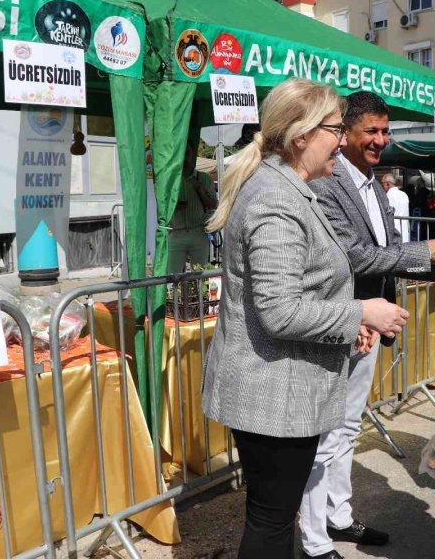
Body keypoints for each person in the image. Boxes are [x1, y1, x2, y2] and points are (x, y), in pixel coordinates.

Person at [201, 79, 408, 559]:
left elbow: (305, 286)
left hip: (281, 388)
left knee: (272, 519)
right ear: (301, 137)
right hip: (273, 392)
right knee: (272, 523)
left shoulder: (291, 188)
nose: (343, 139)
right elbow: (279, 310)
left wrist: (343, 321)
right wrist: (361, 309)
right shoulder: (276, 198)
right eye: (336, 129)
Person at [302, 91, 435, 559]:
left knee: (348, 427)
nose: (380, 140)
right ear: (344, 133)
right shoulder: (326, 184)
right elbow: (355, 255)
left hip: (372, 324)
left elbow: (391, 253)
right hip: (338, 324)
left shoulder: (374, 185)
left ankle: (339, 516)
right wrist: (430, 250)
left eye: (385, 131)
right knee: (324, 435)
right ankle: (315, 540)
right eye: (369, 131)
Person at [167, 139, 218, 272]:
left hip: (198, 232)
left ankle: (199, 293)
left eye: (187, 153)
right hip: (175, 233)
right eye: (180, 154)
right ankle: (176, 294)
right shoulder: (169, 181)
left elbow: (214, 205)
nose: (184, 158)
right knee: (172, 278)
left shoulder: (204, 178)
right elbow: (161, 207)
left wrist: (200, 190)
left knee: (200, 277)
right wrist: (172, 206)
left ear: (193, 155)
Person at [381, 174, 411, 242]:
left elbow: (386, 213)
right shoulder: (404, 194)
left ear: (388, 184)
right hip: (404, 228)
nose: (382, 185)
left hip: (394, 230)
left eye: (382, 183)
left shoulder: (387, 196)